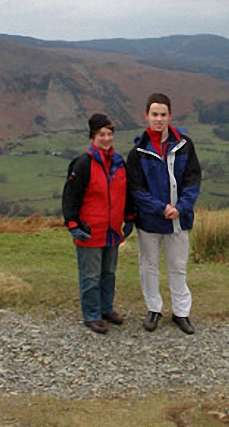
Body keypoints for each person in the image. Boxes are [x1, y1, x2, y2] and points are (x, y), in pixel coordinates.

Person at [127, 93, 201, 335]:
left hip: (179, 220)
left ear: (170, 116)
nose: (158, 119)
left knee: (178, 267)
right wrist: (161, 208)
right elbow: (137, 190)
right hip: (149, 221)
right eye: (154, 115)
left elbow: (193, 180)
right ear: (146, 116)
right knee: (148, 266)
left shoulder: (185, 145)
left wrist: (180, 207)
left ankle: (182, 313)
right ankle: (154, 310)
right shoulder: (138, 151)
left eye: (163, 115)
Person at [62, 113, 135, 334]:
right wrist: (72, 224)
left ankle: (106, 309)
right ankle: (92, 315)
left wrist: (129, 217)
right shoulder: (83, 164)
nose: (106, 138)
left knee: (109, 273)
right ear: (93, 137)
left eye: (109, 134)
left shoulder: (119, 163)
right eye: (101, 134)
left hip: (112, 230)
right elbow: (71, 196)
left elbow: (127, 193)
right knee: (91, 275)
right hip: (90, 230)